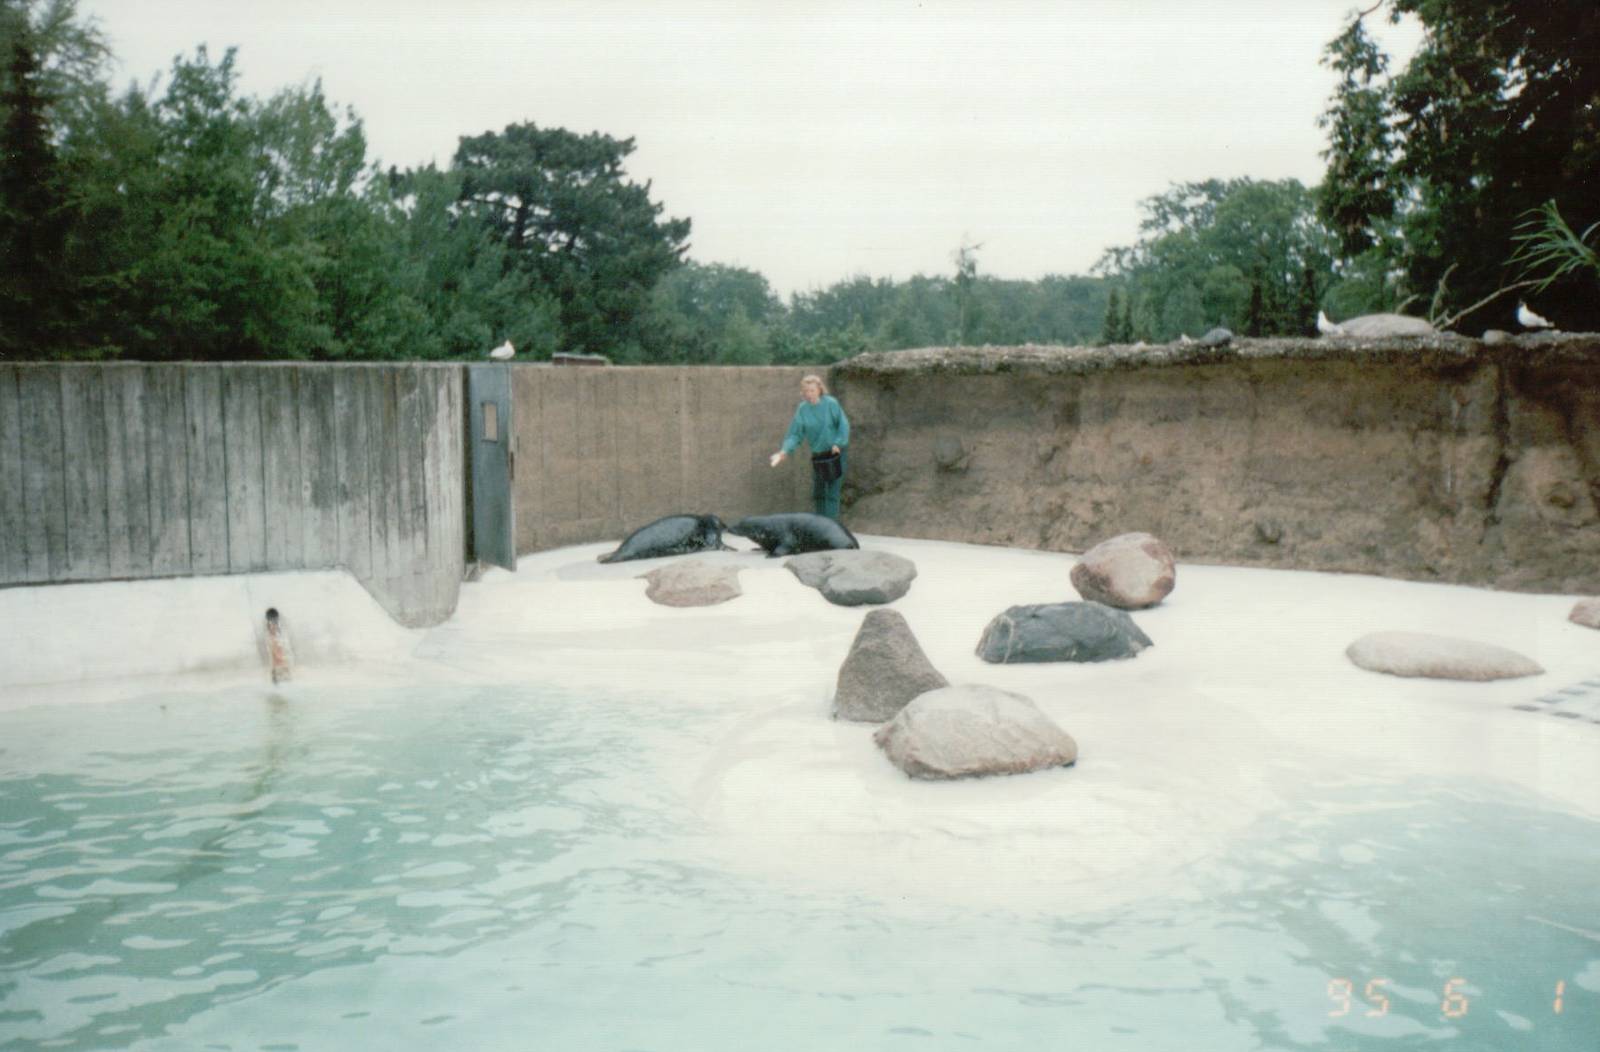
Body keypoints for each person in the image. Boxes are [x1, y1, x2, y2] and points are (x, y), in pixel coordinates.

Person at [769, 374, 850, 520]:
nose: (809, 394)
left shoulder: (831, 403)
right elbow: (795, 434)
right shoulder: (803, 409)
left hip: (835, 453)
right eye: (806, 391)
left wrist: (838, 443)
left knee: (831, 491)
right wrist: (784, 451)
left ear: (819, 389)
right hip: (818, 455)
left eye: (812, 390)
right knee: (819, 491)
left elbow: (843, 425)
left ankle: (831, 526)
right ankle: (819, 525)